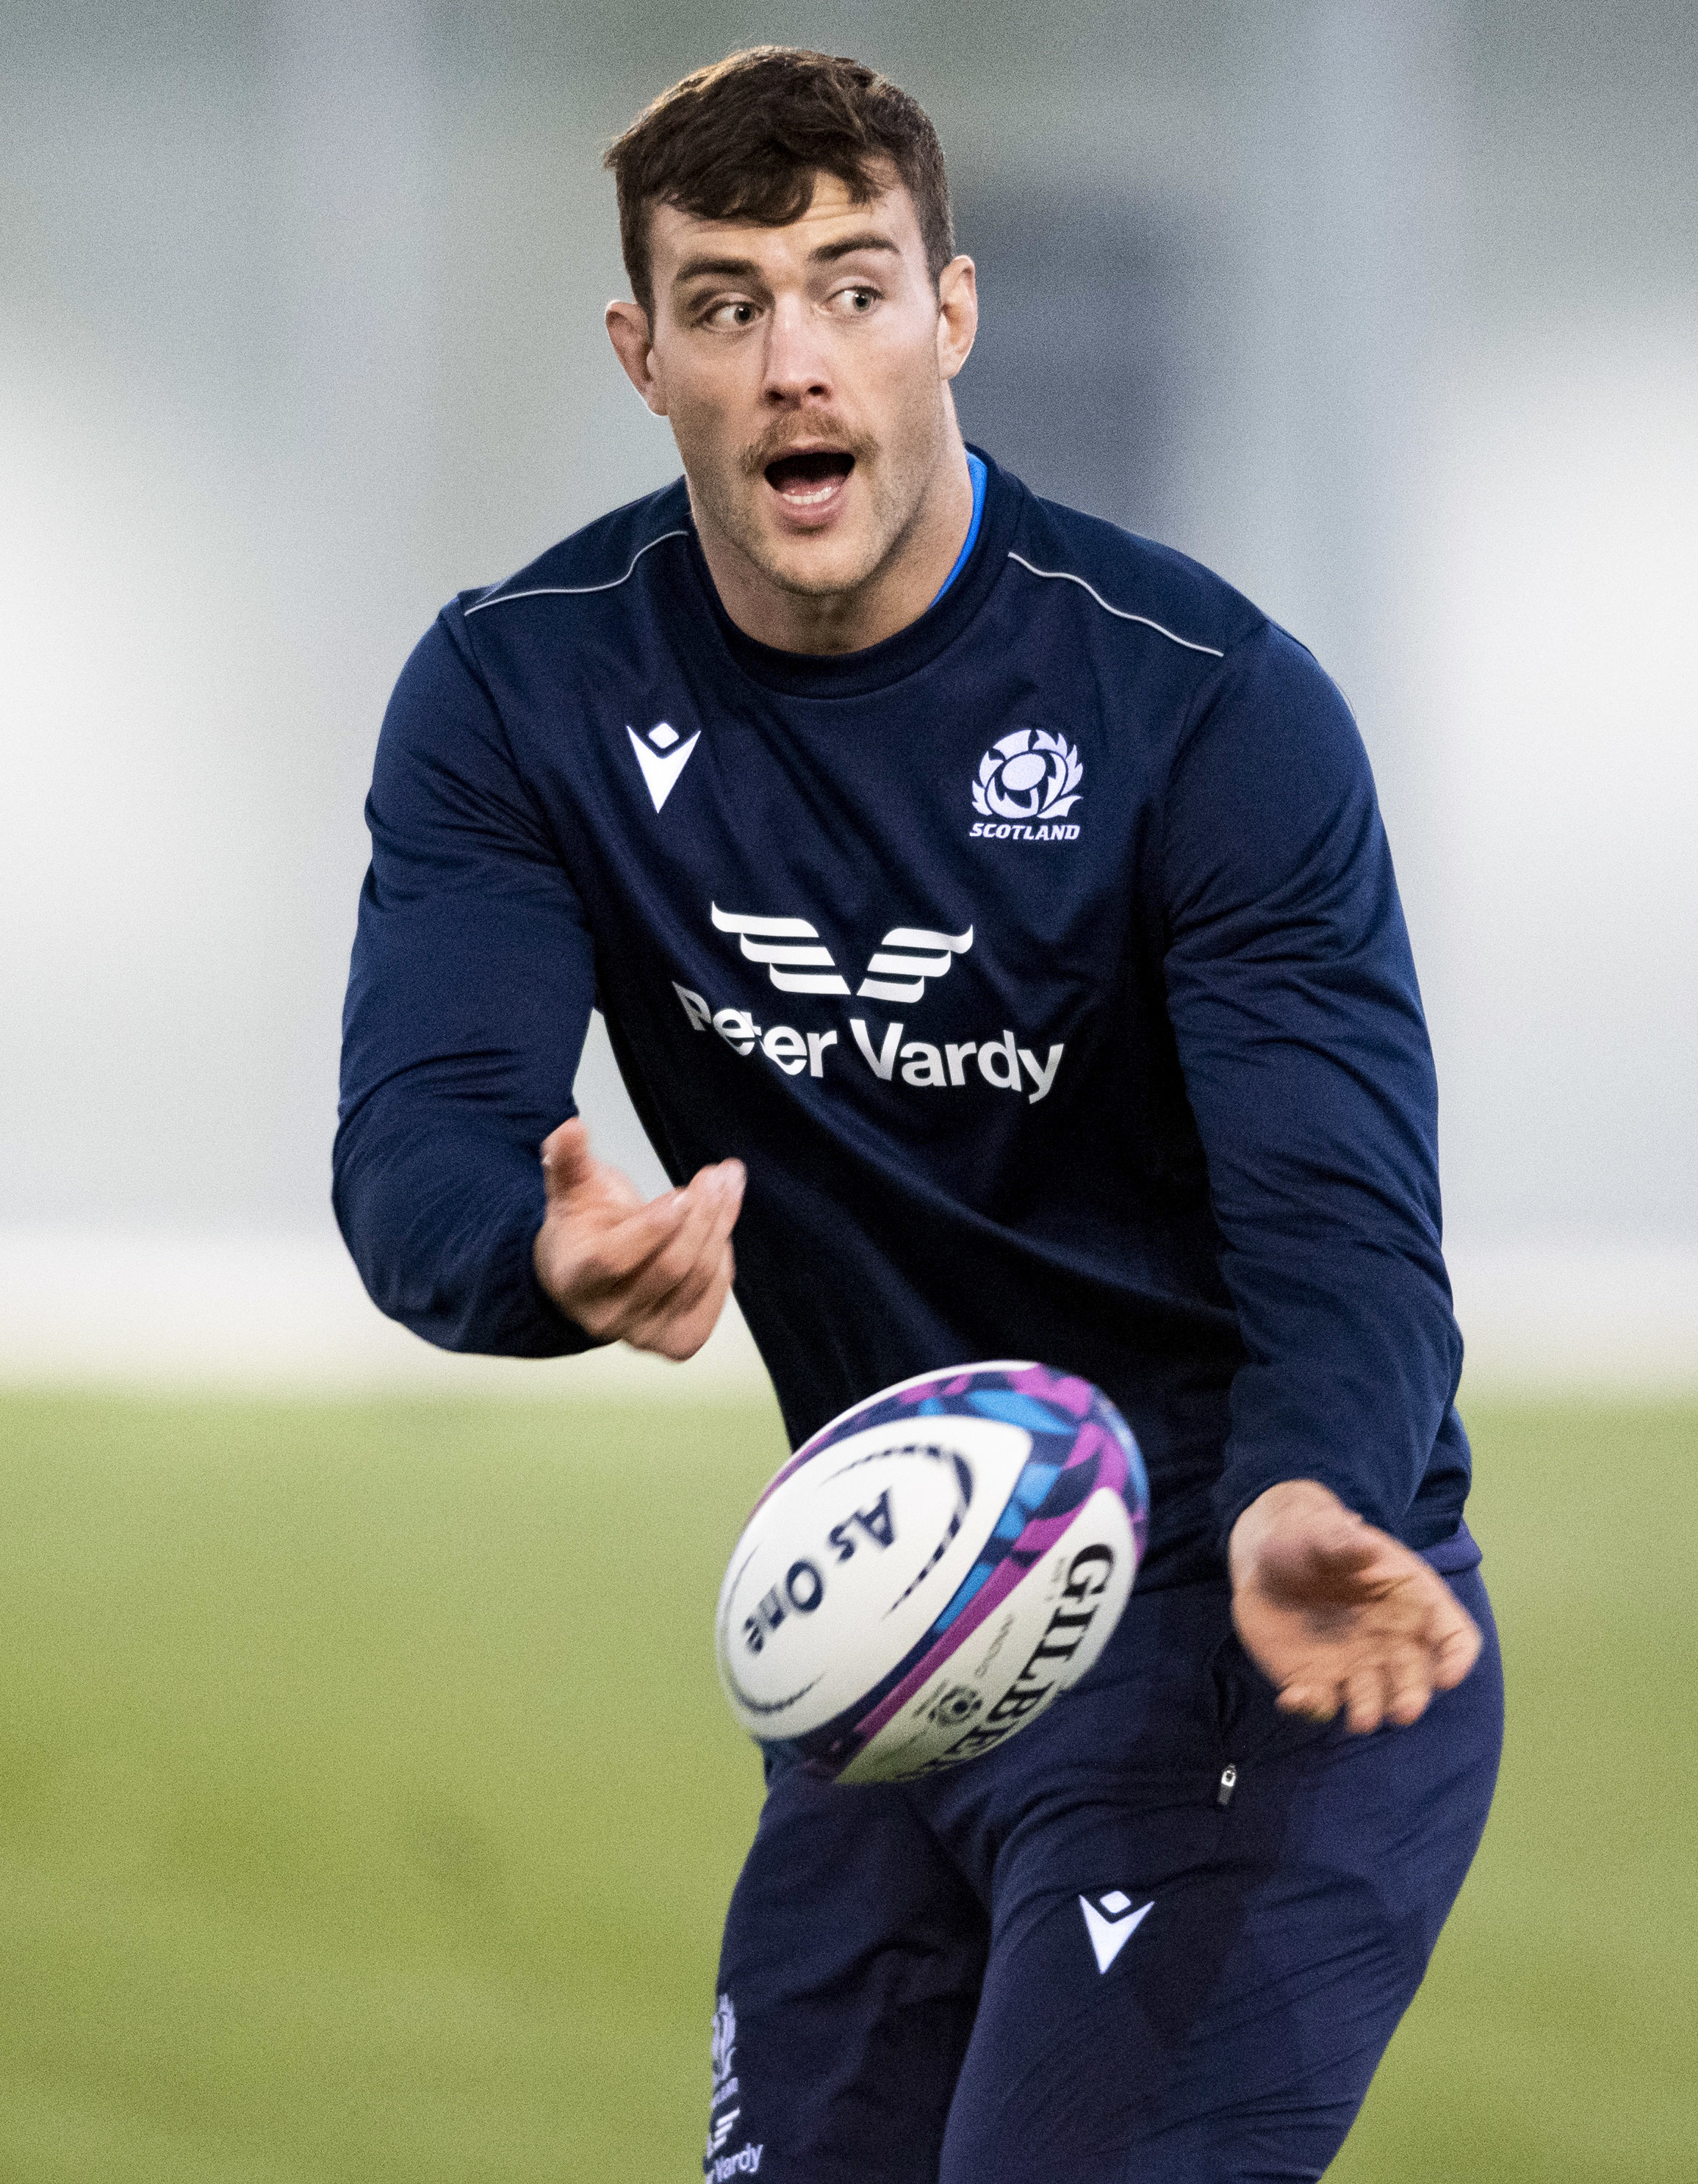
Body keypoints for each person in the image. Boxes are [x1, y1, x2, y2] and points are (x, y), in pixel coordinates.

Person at [335, 46, 1502, 2183]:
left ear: (950, 317)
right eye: (728, 305)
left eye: (853, 287)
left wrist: (1317, 1484)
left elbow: (1341, 1214)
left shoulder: (1200, 703)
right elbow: (423, 1123)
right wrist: (534, 1256)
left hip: (1267, 1614)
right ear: (642, 354)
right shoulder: (523, 691)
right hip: (905, 1633)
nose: (798, 363)